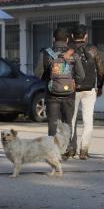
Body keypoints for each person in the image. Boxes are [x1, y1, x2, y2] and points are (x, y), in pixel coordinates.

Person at [35, 27, 83, 160]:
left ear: (53, 39)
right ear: (67, 39)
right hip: (69, 95)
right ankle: (68, 149)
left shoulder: (46, 53)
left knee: (52, 123)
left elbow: (38, 74)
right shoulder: (73, 54)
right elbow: (81, 75)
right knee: (68, 122)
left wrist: (49, 78)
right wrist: (74, 81)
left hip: (51, 94)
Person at [68, 24, 104, 160]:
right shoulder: (93, 50)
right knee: (88, 120)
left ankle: (71, 149)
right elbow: (100, 70)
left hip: (72, 89)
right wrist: (100, 86)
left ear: (72, 36)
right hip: (89, 89)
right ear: (86, 36)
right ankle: (84, 150)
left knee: (71, 120)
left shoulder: (68, 50)